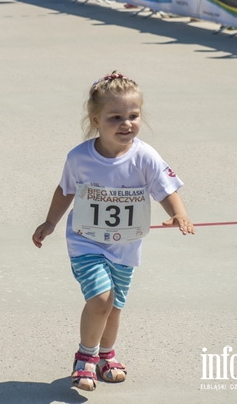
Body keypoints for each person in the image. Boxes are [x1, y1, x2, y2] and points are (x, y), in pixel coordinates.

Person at [32, 72, 194, 392]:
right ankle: (85, 357)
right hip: (86, 242)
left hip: (125, 248)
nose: (126, 124)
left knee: (114, 306)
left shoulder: (145, 156)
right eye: (115, 117)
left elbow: (165, 189)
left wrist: (179, 214)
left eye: (133, 116)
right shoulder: (80, 157)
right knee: (101, 299)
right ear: (96, 119)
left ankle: (106, 354)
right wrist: (50, 222)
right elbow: (65, 190)